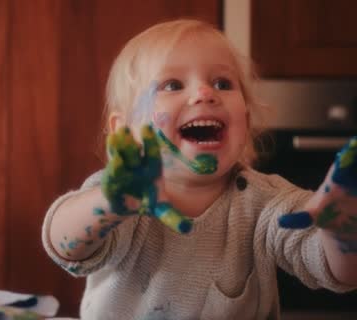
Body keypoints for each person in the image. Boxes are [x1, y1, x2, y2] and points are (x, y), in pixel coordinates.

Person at [42, 19, 357, 319]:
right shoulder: (123, 194)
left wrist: (341, 232)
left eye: (222, 83)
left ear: (245, 121)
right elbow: (64, 245)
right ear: (127, 130)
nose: (205, 93)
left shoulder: (265, 202)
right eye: (173, 84)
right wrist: (110, 204)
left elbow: (337, 272)